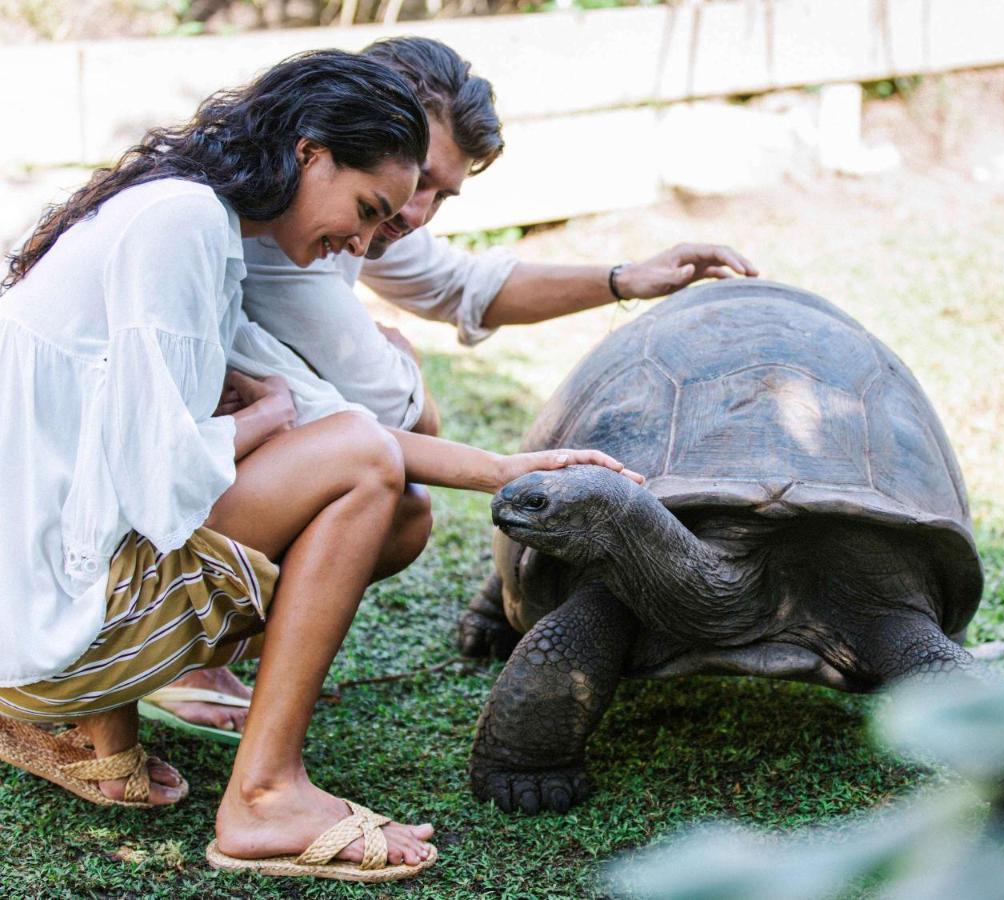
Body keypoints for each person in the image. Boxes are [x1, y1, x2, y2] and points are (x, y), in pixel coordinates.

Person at [0, 49, 639, 884]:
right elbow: (158, 470)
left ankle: (102, 724)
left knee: (372, 468)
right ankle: (262, 794)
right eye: (370, 210)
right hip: (46, 622)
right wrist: (261, 418)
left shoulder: (192, 220)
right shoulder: (182, 223)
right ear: (309, 152)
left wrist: (507, 469)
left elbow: (315, 417)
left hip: (39, 603)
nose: (367, 242)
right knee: (364, 465)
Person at [151, 35, 758, 737]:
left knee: (396, 495)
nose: (418, 214)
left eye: (441, 193)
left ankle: (195, 653)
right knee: (385, 487)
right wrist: (412, 376)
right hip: (145, 493)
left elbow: (456, 283)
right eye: (419, 182)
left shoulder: (352, 207)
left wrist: (625, 279)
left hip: (202, 461)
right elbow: (391, 414)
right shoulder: (269, 233)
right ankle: (174, 659)